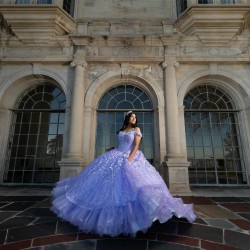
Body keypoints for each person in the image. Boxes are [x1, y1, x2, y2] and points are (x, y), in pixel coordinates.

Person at [51, 111, 196, 237]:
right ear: (127, 118)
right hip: (115, 155)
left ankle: (144, 214)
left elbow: (137, 145)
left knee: (136, 185)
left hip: (130, 157)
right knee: (105, 183)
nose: (134, 119)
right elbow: (121, 144)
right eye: (132, 117)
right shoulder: (122, 130)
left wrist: (129, 159)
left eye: (135, 117)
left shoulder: (137, 129)